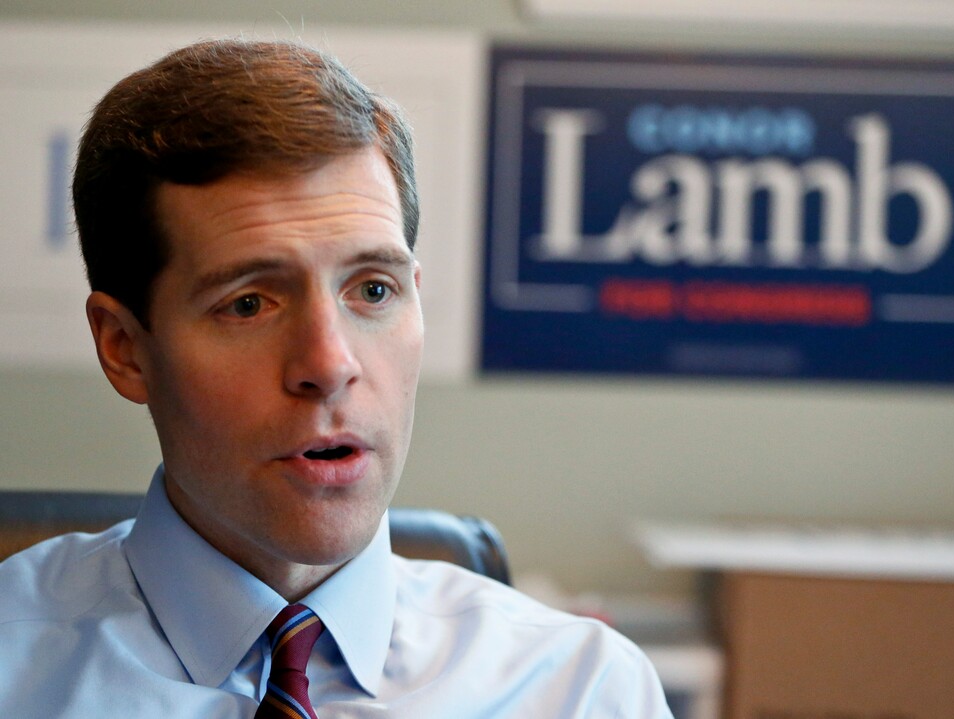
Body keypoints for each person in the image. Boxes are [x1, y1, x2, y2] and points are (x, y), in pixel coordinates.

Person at [0, 37, 672, 718]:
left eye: (373, 290)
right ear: (124, 348)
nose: (329, 364)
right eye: (248, 303)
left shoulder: (581, 689)